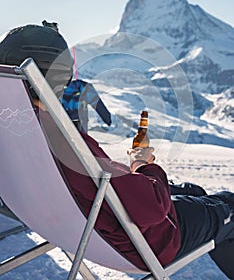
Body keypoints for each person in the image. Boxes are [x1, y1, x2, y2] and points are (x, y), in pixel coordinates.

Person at [0, 23, 233, 278]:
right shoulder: (60, 139)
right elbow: (152, 207)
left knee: (194, 192)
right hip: (141, 244)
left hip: (72, 228)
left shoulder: (14, 132)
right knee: (228, 205)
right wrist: (142, 164)